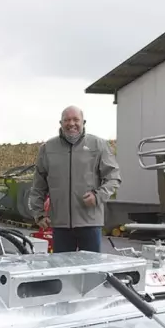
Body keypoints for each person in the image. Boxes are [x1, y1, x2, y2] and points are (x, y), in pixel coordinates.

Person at [28, 105, 121, 253]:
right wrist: (39, 214)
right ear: (61, 123)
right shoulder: (47, 149)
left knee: (91, 270)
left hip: (89, 223)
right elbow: (38, 185)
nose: (71, 124)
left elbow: (113, 178)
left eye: (76, 119)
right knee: (62, 270)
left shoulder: (99, 146)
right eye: (67, 120)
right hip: (60, 226)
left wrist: (97, 196)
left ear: (83, 122)